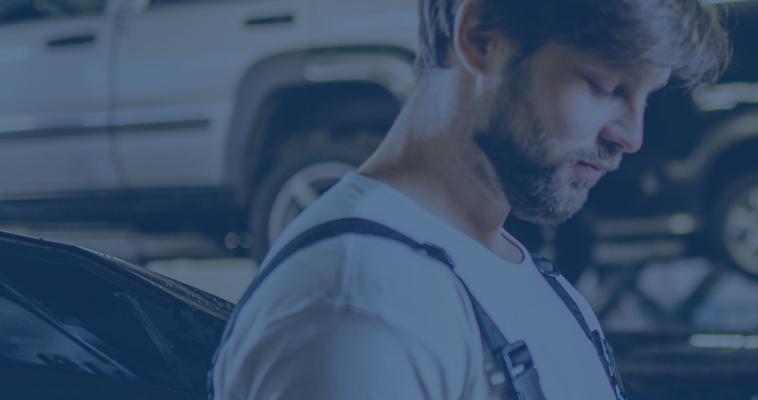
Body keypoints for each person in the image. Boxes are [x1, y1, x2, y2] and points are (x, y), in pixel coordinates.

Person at [209, 0, 728, 398]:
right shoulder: (358, 306)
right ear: (480, 38)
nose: (631, 136)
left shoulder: (528, 281)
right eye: (604, 85)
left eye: (646, 97)